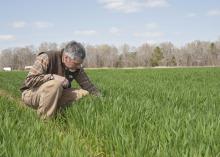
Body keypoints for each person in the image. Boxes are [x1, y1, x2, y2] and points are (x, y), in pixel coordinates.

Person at [20, 41, 101, 119]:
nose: (79, 66)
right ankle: (45, 121)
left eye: (80, 64)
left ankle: (61, 114)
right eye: (76, 63)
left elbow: (88, 86)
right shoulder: (46, 57)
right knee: (55, 85)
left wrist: (101, 100)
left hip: (57, 93)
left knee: (84, 94)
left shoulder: (77, 68)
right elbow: (29, 81)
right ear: (66, 58)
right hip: (31, 94)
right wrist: (52, 77)